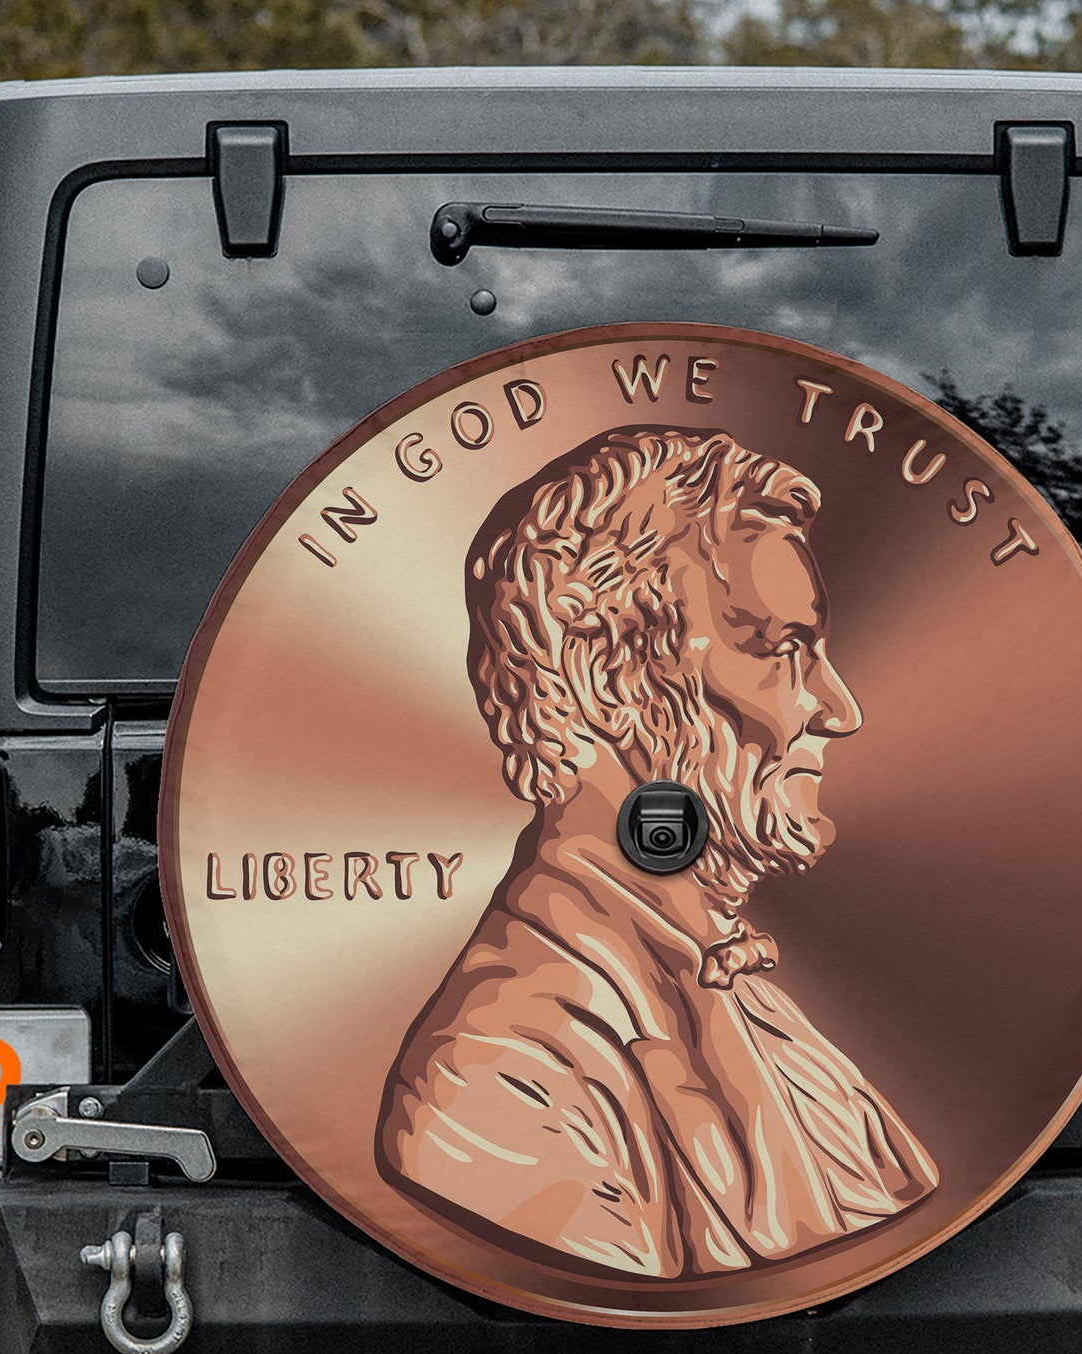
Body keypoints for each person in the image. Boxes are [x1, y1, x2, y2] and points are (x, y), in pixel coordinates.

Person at [379, 426, 936, 1278]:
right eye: (783, 649)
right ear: (602, 673)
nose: (838, 707)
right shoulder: (502, 1077)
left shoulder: (775, 1026)